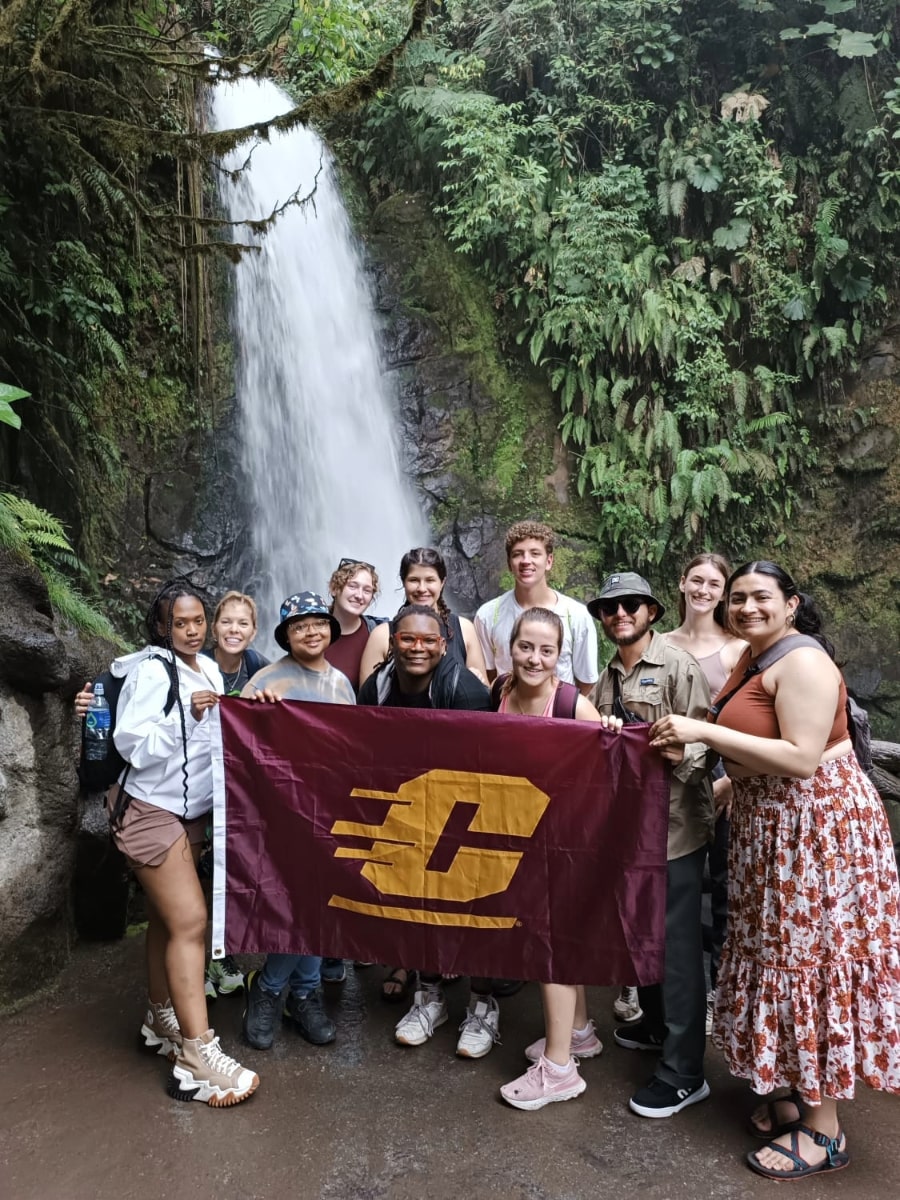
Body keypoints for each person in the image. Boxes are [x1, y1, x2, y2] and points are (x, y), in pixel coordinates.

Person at [650, 561, 900, 1178]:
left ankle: (826, 1131)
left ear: (791, 604)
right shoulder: (753, 657)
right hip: (774, 834)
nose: (746, 607)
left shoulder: (805, 662)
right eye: (737, 599)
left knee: (811, 962)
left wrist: (698, 731)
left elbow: (801, 757)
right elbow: (755, 744)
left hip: (817, 836)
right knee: (777, 954)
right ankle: (792, 1090)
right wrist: (722, 793)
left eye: (762, 597)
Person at [108, 579, 259, 1106]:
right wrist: (185, 717)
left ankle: (159, 1015)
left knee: (166, 919)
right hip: (151, 812)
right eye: (181, 622)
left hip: (189, 815)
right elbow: (132, 746)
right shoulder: (151, 672)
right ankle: (197, 1058)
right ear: (162, 626)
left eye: (198, 621)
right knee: (191, 922)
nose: (191, 631)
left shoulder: (210, 669)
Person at [587, 571, 714, 1119]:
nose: (620, 614)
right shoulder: (606, 677)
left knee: (679, 951)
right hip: (632, 832)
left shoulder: (679, 668)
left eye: (630, 605)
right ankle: (658, 1025)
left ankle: (684, 1072)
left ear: (652, 611)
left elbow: (707, 744)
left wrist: (675, 755)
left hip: (676, 831)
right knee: (647, 935)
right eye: (610, 608)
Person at [358, 604, 499, 1052]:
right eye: (407, 639)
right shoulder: (376, 686)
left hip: (465, 810)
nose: (417, 648)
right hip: (408, 806)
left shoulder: (467, 690)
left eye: (427, 640)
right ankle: (430, 994)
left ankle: (483, 1004)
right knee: (418, 904)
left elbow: (485, 768)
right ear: (392, 642)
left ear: (444, 644)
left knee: (472, 905)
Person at [496, 608, 622, 1110]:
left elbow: (614, 768)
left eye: (546, 650)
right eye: (526, 646)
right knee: (550, 935)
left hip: (568, 839)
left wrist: (611, 729)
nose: (534, 657)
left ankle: (559, 1069)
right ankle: (580, 1032)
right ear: (512, 645)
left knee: (553, 944)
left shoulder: (572, 704)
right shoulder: (499, 694)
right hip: (522, 832)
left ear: (560, 655)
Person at [240, 591, 356, 1052]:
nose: (311, 632)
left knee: (316, 901)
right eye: (299, 626)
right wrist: (258, 711)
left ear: (330, 629)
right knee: (296, 902)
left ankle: (301, 995)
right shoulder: (268, 680)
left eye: (318, 623)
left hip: (328, 809)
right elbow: (239, 743)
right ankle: (270, 988)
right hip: (281, 812)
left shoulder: (343, 684)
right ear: (286, 635)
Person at [662, 553, 746, 1035]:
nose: (703, 590)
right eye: (696, 580)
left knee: (723, 885)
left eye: (714, 584)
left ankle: (718, 989)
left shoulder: (736, 650)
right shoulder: (662, 643)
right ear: (682, 583)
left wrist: (732, 778)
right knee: (680, 888)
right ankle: (668, 985)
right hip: (674, 778)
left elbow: (748, 721)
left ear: (722, 593)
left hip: (721, 774)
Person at [201, 590, 269, 999]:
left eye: (243, 623)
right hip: (199, 778)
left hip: (239, 783)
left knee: (228, 866)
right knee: (206, 869)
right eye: (227, 622)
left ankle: (221, 955)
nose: (234, 630)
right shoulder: (198, 666)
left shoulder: (258, 666)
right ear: (214, 627)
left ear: (254, 630)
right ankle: (207, 959)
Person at [474, 520, 599, 696]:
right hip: (508, 714)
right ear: (509, 563)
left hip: (558, 716)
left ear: (549, 561)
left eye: (534, 553)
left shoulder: (576, 615)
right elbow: (490, 675)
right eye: (518, 554)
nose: (526, 561)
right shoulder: (488, 615)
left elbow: (586, 683)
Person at [358, 547, 487, 689]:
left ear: (442, 582)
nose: (421, 588)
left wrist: (475, 679)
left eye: (430, 580)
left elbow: (483, 693)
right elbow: (367, 701)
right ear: (403, 582)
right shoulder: (381, 635)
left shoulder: (464, 629)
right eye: (414, 580)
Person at [324, 557, 384, 692]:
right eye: (352, 586)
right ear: (334, 589)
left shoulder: (378, 634)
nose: (359, 595)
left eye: (367, 590)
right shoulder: (311, 631)